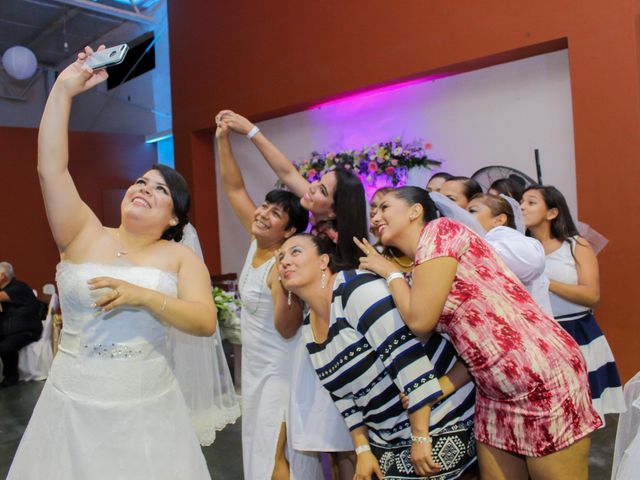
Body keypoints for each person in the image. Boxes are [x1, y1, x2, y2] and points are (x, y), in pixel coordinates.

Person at [8, 47, 216, 479]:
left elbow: (203, 322)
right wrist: (64, 89)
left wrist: (143, 296)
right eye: (141, 181)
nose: (143, 188)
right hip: (70, 408)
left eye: (159, 190)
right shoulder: (83, 232)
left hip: (147, 410)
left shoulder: (178, 257)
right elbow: (51, 169)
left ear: (174, 216)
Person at [358, 186, 602, 479]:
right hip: (493, 391)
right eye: (373, 210)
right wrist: (444, 385)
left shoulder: (441, 232)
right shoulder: (423, 266)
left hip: (540, 376)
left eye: (384, 207)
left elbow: (420, 322)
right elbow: (476, 338)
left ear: (415, 211)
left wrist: (390, 272)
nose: (376, 216)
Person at [277, 234, 477, 479]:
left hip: (440, 419)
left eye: (295, 252)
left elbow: (406, 359)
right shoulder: (309, 327)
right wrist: (362, 450)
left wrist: (421, 435)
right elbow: (344, 397)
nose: (285, 261)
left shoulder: (356, 289)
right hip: (386, 437)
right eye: (280, 257)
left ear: (323, 261)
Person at [216, 119, 329, 479]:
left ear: (290, 231)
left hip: (281, 368)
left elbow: (286, 329)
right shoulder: (256, 243)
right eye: (264, 206)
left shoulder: (287, 264)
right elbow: (233, 188)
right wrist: (222, 140)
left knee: (277, 457)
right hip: (255, 367)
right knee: (257, 446)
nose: (262, 214)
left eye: (274, 214)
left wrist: (283, 287)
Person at [521, 185, 625, 422]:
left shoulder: (575, 245)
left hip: (577, 332)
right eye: (521, 202)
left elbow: (592, 296)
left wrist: (544, 281)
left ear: (552, 213)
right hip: (537, 335)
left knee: (581, 412)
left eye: (531, 202)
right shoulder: (522, 250)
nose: (523, 207)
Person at [215, 110, 368, 268]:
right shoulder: (314, 205)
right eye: (317, 181)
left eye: (322, 190)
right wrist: (250, 130)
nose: (312, 186)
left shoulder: (332, 249)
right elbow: (287, 173)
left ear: (334, 212)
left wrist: (250, 130)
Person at [467, 193, 552, 315]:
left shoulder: (507, 238)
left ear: (499, 220)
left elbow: (533, 262)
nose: (464, 216)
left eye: (472, 211)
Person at [0, 262, 44, 388]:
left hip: (27, 329)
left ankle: (11, 377)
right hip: (9, 329)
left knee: (5, 346)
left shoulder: (19, 287)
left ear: (3, 276)